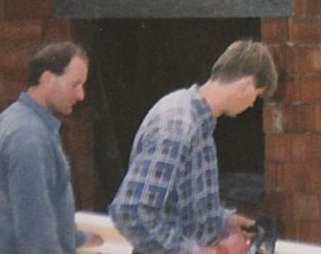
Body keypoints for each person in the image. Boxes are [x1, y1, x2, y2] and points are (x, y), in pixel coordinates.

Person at [110, 39, 277, 254]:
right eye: (257, 95)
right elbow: (131, 212)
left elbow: (183, 203)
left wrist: (223, 220)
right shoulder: (178, 125)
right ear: (246, 84)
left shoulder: (200, 123)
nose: (252, 104)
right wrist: (194, 252)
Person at [0, 41, 103, 254]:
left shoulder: (15, 117)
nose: (81, 95)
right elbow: (35, 233)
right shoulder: (29, 138)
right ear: (47, 79)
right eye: (75, 85)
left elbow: (40, 208)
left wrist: (75, 238)